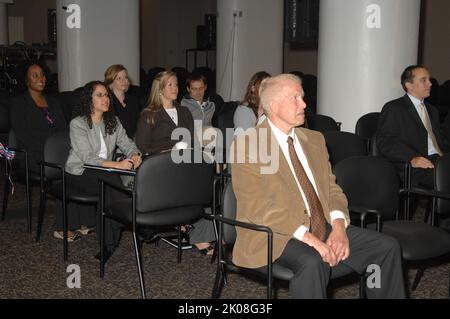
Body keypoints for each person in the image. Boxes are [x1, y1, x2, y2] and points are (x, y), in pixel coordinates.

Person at [230, 73, 406, 299]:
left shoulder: (314, 140)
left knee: (385, 247)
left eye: (302, 97)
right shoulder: (249, 144)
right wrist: (312, 240)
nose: (304, 104)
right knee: (312, 262)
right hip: (273, 234)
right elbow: (258, 207)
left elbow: (331, 189)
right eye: (295, 98)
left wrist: (340, 227)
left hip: (321, 225)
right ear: (273, 106)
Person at [135, 71, 216, 255]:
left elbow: (193, 141)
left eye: (176, 84)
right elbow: (142, 146)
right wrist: (165, 152)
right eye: (170, 84)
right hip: (161, 166)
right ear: (160, 89)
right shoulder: (150, 114)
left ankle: (199, 231)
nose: (175, 88)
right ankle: (197, 236)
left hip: (184, 161)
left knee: (203, 180)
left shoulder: (183, 111)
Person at [63, 81, 142, 259]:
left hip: (104, 172)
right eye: (99, 95)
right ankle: (129, 220)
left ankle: (109, 241)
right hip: (78, 172)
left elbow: (128, 144)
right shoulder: (78, 123)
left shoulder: (112, 121)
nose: (105, 98)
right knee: (110, 183)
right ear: (88, 100)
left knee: (111, 184)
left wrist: (135, 154)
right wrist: (118, 165)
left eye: (106, 95)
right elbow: (87, 158)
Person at [377, 65, 450, 189]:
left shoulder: (432, 110)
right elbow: (385, 143)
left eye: (429, 79)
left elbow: (441, 141)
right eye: (423, 80)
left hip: (438, 162)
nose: (430, 84)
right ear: (408, 85)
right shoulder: (394, 108)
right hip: (415, 165)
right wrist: (411, 158)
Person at [10, 62, 67, 174]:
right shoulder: (19, 103)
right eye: (35, 75)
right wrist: (49, 149)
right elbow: (22, 134)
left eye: (42, 75)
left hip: (55, 150)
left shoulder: (54, 102)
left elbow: (63, 129)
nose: (41, 78)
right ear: (26, 80)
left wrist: (61, 147)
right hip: (32, 153)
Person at [104, 64, 142, 139]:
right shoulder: (107, 102)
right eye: (119, 78)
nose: (124, 81)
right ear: (111, 82)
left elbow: (139, 124)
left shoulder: (133, 100)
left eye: (125, 77)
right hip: (115, 142)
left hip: (134, 142)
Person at [233, 71, 271, 137]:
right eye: (264, 86)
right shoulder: (243, 110)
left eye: (270, 86)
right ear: (253, 88)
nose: (268, 89)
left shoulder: (273, 109)